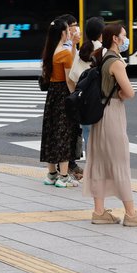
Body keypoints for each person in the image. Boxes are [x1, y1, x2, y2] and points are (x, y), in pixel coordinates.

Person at [82, 23, 137, 227]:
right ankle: (131, 214)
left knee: (99, 162)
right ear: (115, 38)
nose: (126, 38)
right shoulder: (116, 62)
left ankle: (99, 211)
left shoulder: (102, 58)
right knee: (120, 162)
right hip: (112, 113)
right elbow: (129, 92)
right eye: (124, 35)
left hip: (99, 114)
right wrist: (120, 94)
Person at [40, 18, 81, 188]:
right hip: (63, 94)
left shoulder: (49, 52)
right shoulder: (63, 54)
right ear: (63, 33)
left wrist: (72, 46)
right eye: (67, 31)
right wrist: (76, 95)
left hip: (52, 95)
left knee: (51, 132)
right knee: (63, 133)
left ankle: (51, 174)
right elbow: (69, 80)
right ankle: (63, 177)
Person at [68, 16, 105, 151]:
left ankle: (90, 170)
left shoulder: (81, 51)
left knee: (88, 141)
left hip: (83, 104)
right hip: (99, 104)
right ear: (102, 34)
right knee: (101, 144)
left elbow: (71, 79)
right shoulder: (104, 51)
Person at [58, 14, 83, 179]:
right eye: (73, 25)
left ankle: (63, 168)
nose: (76, 28)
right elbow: (71, 74)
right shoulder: (65, 49)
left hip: (61, 94)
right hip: (67, 93)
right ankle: (69, 167)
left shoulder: (61, 47)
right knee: (70, 130)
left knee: (69, 130)